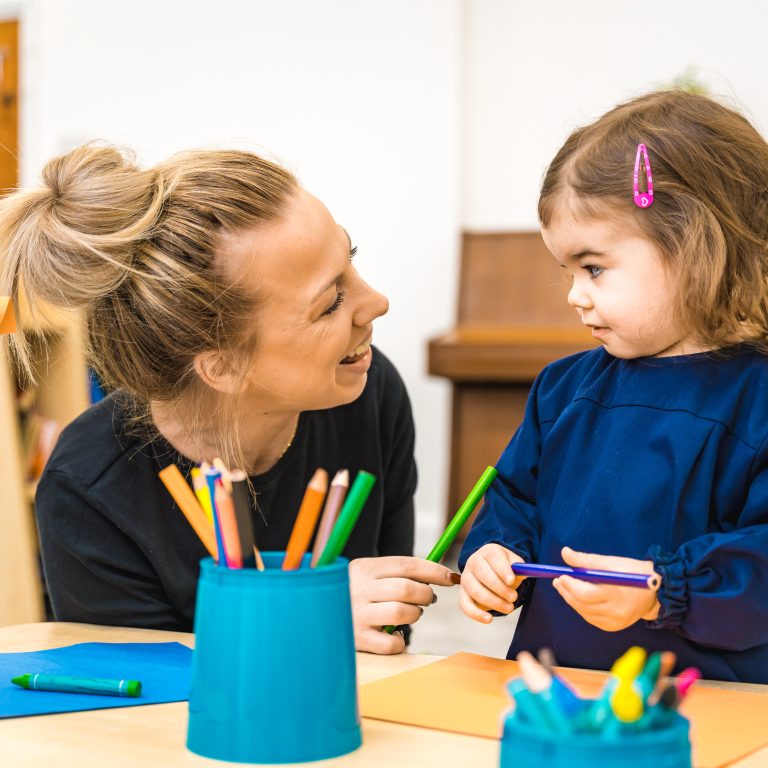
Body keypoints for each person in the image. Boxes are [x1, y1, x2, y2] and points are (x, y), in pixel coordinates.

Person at [0, 143, 456, 654]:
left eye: (350, 257)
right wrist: (305, 617)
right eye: (330, 303)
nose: (377, 302)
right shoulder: (87, 488)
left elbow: (387, 629)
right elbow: (132, 708)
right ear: (221, 365)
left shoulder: (369, 392)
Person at [458, 89, 768, 683]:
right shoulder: (562, 389)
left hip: (705, 713)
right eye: (568, 272)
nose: (575, 294)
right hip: (557, 696)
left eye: (594, 267)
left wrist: (664, 591)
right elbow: (512, 502)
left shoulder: (755, 399)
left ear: (693, 244)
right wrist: (492, 556)